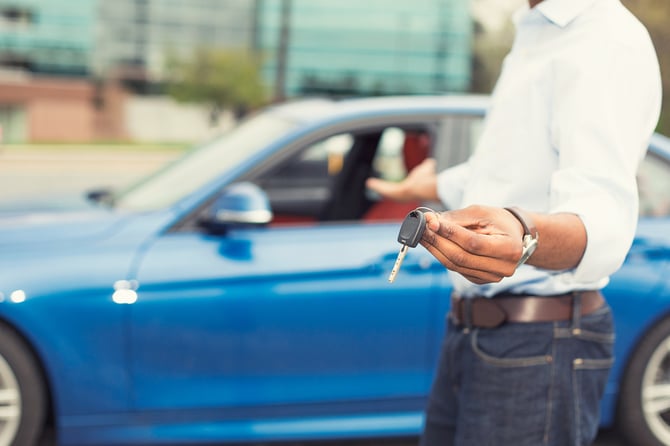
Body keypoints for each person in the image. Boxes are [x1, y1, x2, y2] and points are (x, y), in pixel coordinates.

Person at [366, 0, 662, 444]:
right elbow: (514, 172)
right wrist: (439, 183)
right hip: (471, 334)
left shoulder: (606, 39)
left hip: (540, 343)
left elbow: (603, 218)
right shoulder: (533, 31)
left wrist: (524, 235)